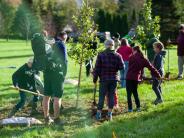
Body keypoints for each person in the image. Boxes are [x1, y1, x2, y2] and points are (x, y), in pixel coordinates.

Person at [93, 39, 124, 121]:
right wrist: (116, 68)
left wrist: (95, 79)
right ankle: (109, 115)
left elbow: (97, 69)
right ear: (113, 45)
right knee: (111, 96)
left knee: (101, 97)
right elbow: (122, 67)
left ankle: (98, 114)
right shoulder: (118, 55)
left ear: (105, 45)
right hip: (114, 79)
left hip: (103, 79)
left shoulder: (101, 55)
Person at [42, 31, 68, 125]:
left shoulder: (47, 44)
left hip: (47, 72)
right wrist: (64, 73)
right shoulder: (61, 44)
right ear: (64, 38)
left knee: (46, 96)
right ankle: (56, 120)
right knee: (57, 97)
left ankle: (46, 118)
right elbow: (64, 60)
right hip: (57, 73)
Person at [126, 46, 161, 112]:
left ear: (135, 50)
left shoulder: (131, 57)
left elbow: (130, 68)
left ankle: (130, 109)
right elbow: (151, 68)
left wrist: (141, 74)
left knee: (129, 94)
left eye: (133, 50)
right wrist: (158, 75)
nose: (132, 52)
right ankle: (138, 107)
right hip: (136, 78)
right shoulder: (144, 59)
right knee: (135, 92)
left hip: (129, 77)